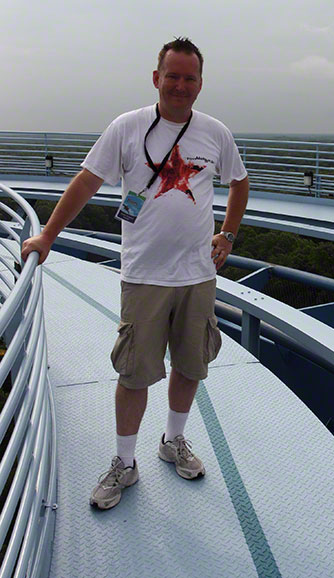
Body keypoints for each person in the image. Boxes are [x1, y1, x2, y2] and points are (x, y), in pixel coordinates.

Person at [21, 37, 249, 510]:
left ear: (200, 84)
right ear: (156, 78)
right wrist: (47, 236)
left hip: (197, 275)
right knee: (134, 374)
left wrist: (227, 235)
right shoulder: (127, 128)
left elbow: (240, 181)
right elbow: (86, 181)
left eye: (189, 78)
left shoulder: (215, 133)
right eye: (173, 75)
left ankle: (173, 441)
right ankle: (125, 463)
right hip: (144, 275)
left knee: (191, 364)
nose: (180, 85)